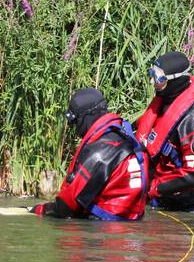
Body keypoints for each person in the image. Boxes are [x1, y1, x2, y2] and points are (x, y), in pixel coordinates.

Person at [30, 88, 147, 221]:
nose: (75, 129)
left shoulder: (99, 152)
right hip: (132, 225)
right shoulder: (127, 140)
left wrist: (39, 210)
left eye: (75, 122)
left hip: (104, 231)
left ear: (85, 117)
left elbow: (66, 207)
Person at [135, 51, 194, 213]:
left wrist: (156, 189)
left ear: (175, 80)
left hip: (190, 208)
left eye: (158, 78)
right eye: (152, 74)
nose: (153, 82)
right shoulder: (163, 104)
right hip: (163, 202)